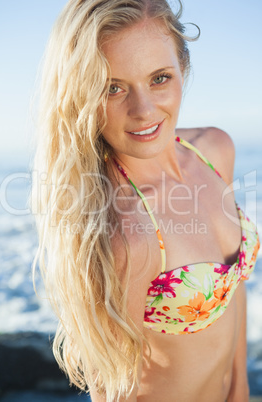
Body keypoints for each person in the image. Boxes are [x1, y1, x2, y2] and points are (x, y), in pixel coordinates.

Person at [30, 0, 260, 401]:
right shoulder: (128, 232)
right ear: (81, 97)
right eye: (112, 88)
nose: (144, 110)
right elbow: (110, 388)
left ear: (182, 69)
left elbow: (235, 285)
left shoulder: (214, 149)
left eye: (159, 78)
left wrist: (240, 387)